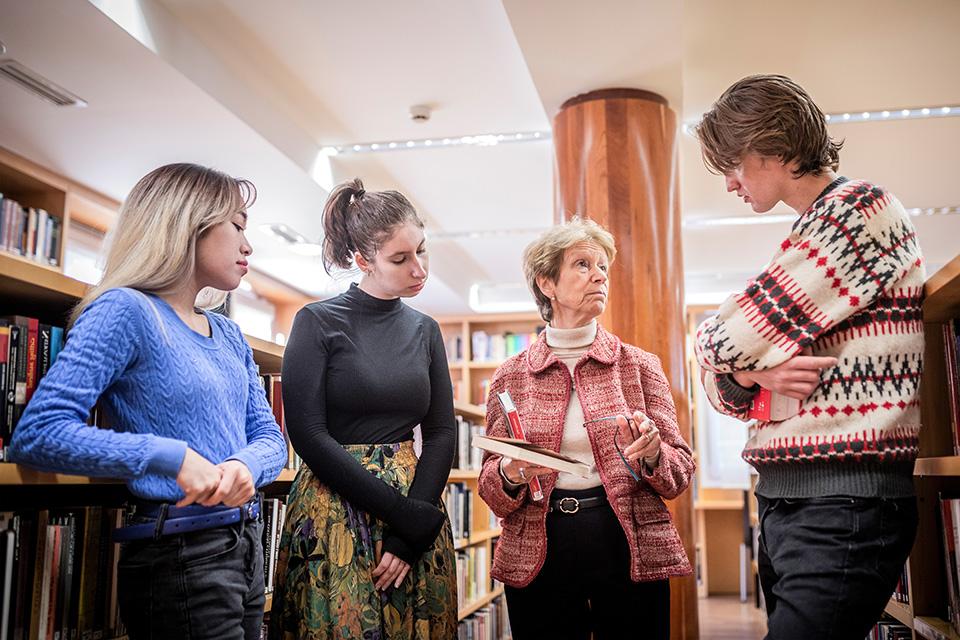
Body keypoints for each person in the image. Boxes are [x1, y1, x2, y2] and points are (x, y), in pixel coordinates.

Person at [9, 163, 288, 639]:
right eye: (237, 225)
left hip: (246, 544)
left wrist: (246, 465)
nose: (248, 245)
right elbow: (39, 432)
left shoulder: (228, 334)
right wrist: (169, 457)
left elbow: (269, 438)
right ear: (187, 222)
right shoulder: (125, 310)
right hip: (181, 551)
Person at [693, 74, 925, 639]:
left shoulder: (858, 212)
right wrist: (749, 375)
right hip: (795, 497)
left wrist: (737, 363)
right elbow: (722, 388)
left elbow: (718, 342)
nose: (729, 183)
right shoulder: (811, 230)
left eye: (734, 163)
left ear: (772, 146)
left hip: (841, 501)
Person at [476, 218, 694, 640]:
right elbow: (490, 490)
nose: (599, 275)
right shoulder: (511, 376)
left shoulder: (640, 365)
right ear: (547, 283)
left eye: (603, 267)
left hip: (626, 538)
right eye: (582, 264)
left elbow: (680, 472)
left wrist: (652, 454)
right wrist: (510, 472)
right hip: (541, 542)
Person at [270, 178, 458, 639]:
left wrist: (411, 528)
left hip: (416, 507)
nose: (419, 269)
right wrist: (401, 512)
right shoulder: (316, 323)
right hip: (336, 506)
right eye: (400, 258)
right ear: (362, 260)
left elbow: (440, 433)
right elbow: (309, 434)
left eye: (421, 250)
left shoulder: (426, 330)